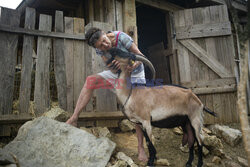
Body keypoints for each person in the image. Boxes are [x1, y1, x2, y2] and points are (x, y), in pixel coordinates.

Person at [66, 27, 148, 162]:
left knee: (136, 109)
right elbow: (110, 65)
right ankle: (74, 118)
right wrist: (113, 67)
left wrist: (133, 64)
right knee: (90, 81)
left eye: (104, 41)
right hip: (120, 73)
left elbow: (141, 57)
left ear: (105, 34)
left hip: (135, 71)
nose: (105, 45)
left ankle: (140, 148)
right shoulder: (100, 49)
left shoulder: (122, 38)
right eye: (100, 45)